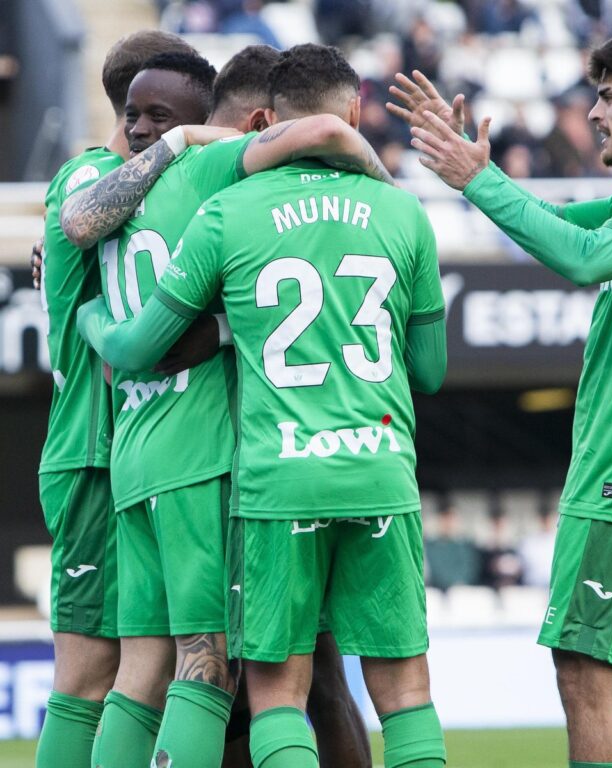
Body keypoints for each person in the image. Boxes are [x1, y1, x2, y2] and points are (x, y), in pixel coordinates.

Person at [76, 42, 448, 768]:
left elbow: (143, 347)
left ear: (264, 121)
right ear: (355, 110)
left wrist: (102, 316)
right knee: (404, 693)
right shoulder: (404, 215)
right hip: (380, 470)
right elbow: (428, 371)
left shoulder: (226, 212)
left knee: (279, 695)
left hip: (275, 481)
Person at [388, 21, 612, 768]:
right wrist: (474, 171)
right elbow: (551, 230)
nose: (593, 113)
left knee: (585, 671)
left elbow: (581, 260)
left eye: (607, 96)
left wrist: (478, 180)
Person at [35, 30, 198, 768]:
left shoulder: (147, 192)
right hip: (94, 453)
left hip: (140, 453)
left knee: (156, 672)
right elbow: (78, 219)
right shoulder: (90, 178)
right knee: (88, 677)